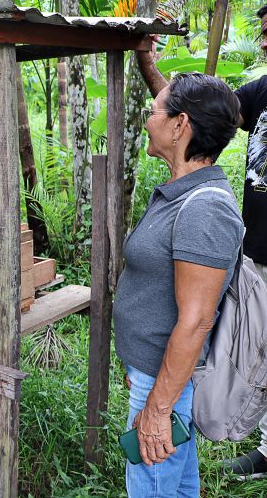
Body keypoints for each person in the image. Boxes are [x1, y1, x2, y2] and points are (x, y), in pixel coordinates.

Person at [138, 8, 267, 479]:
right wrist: (150, 66)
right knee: (252, 353)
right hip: (257, 252)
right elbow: (202, 116)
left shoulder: (204, 209)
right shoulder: (261, 90)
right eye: (265, 34)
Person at [113, 72, 243, 496]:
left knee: (151, 488)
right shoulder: (181, 190)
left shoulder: (204, 209)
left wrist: (157, 408)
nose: (148, 121)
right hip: (155, 374)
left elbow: (196, 320)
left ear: (180, 125)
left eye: (154, 113)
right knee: (179, 487)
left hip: (164, 385)